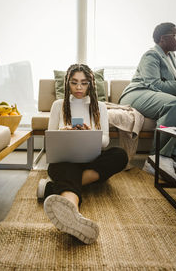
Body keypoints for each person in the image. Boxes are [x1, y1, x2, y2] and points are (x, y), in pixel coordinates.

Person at [37, 64, 128, 244]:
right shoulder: (58, 105)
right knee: (62, 168)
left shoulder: (99, 106)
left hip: (91, 160)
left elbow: (105, 141)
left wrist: (88, 135)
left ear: (91, 85)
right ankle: (73, 213)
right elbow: (50, 140)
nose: (79, 88)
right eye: (74, 82)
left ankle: (53, 188)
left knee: (120, 155)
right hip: (65, 161)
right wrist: (65, 132)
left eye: (84, 83)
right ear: (67, 83)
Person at [119, 22, 176, 182]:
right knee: (174, 104)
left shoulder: (171, 56)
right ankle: (156, 158)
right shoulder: (151, 55)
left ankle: (172, 156)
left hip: (152, 93)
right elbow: (155, 84)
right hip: (137, 93)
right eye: (175, 35)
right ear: (162, 38)